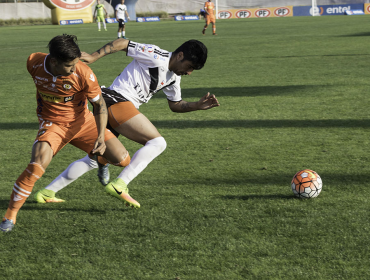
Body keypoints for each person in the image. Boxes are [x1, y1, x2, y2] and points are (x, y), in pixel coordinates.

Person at [35, 38, 220, 210]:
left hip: (114, 104)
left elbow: (176, 105)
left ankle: (47, 192)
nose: (189, 72)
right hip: (115, 100)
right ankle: (120, 185)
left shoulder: (174, 77)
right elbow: (123, 43)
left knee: (97, 157)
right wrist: (94, 56)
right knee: (157, 143)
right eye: (190, 67)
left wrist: (197, 105)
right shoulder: (157, 55)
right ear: (180, 56)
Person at [0, 34, 132, 232]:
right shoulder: (33, 62)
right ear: (53, 61)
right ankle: (9, 217)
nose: (73, 69)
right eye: (69, 66)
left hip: (83, 122)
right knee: (36, 166)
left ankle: (101, 161)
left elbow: (99, 105)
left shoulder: (84, 73)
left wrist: (100, 138)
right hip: (53, 125)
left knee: (123, 160)